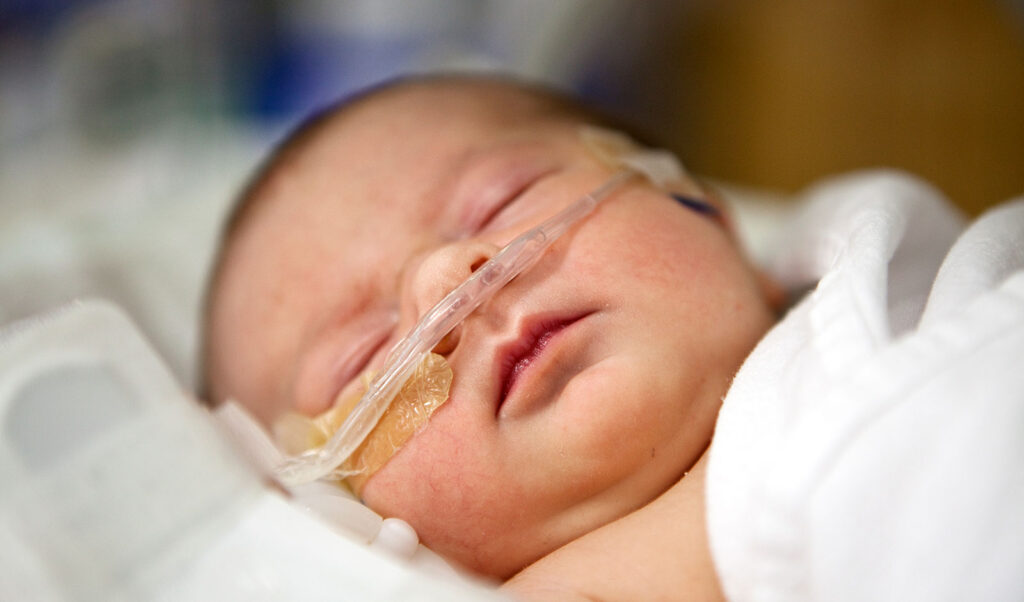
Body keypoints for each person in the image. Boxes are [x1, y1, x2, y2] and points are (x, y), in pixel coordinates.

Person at [202, 74, 1024, 600]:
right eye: (361, 356)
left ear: (699, 203)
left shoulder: (899, 305)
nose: (449, 280)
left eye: (502, 199)